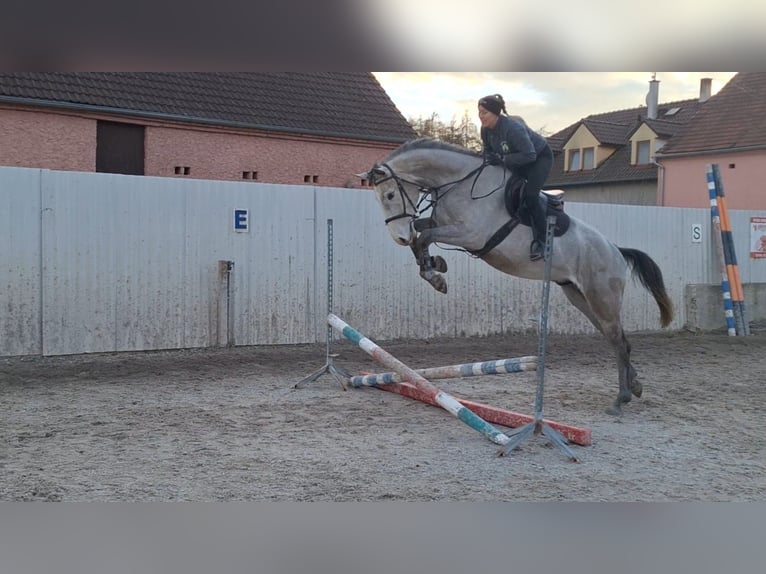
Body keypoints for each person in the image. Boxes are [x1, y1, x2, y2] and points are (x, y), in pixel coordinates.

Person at [478, 93, 553, 261]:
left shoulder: (513, 128)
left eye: (484, 112)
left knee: (530, 196)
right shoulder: (485, 130)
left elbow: (530, 155)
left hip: (538, 159)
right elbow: (488, 152)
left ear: (495, 113)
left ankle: (544, 243)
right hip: (517, 160)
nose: (481, 116)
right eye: (479, 112)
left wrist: (503, 160)